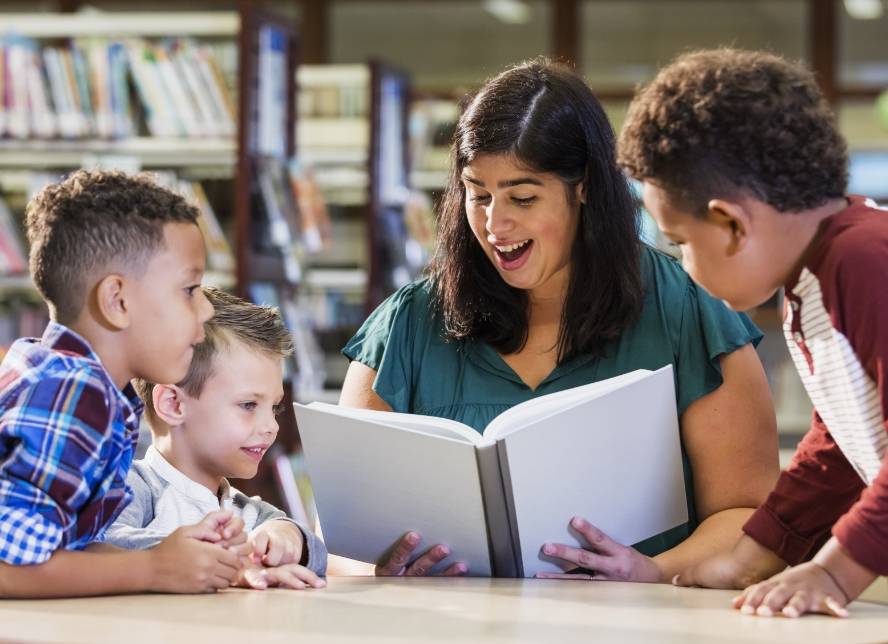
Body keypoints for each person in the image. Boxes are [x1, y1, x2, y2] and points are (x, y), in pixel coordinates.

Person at [338, 59, 779, 581]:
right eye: (478, 194)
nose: (495, 224)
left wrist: (654, 572)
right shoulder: (408, 323)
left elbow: (754, 522)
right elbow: (342, 540)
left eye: (523, 197)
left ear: (585, 186)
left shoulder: (685, 312)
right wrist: (378, 570)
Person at [618, 47, 888, 618]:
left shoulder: (864, 262)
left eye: (681, 242)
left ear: (732, 224)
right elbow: (840, 446)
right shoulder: (811, 280)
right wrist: (752, 556)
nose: (685, 264)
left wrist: (834, 573)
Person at [0, 170, 247, 598]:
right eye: (190, 289)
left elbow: (55, 546)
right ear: (117, 301)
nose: (206, 310)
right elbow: (7, 567)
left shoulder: (74, 382)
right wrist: (153, 569)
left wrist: (183, 559)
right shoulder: (71, 395)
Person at [107, 287, 327, 590]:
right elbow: (103, 543)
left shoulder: (249, 512)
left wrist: (288, 537)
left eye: (274, 408)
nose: (271, 427)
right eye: (249, 405)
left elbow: (315, 553)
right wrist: (225, 560)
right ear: (173, 405)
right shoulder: (134, 487)